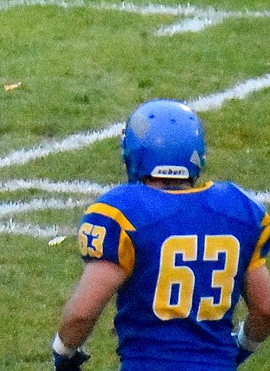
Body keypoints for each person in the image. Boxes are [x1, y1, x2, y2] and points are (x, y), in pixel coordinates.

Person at [51, 99, 270, 371]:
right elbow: (265, 308)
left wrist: (64, 351)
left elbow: (82, 313)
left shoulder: (125, 211)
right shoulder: (239, 210)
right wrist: (243, 344)